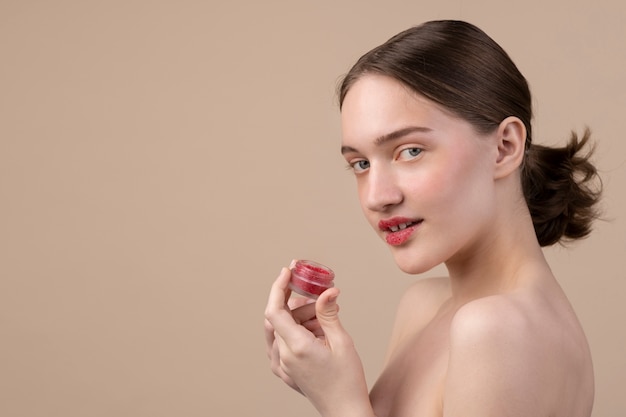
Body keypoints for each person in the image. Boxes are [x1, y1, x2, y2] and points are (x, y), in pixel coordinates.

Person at [264, 20, 601, 417]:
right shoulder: (423, 305)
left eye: (410, 151)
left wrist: (340, 401)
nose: (377, 197)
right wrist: (324, 376)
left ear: (505, 147)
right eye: (360, 163)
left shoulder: (497, 330)